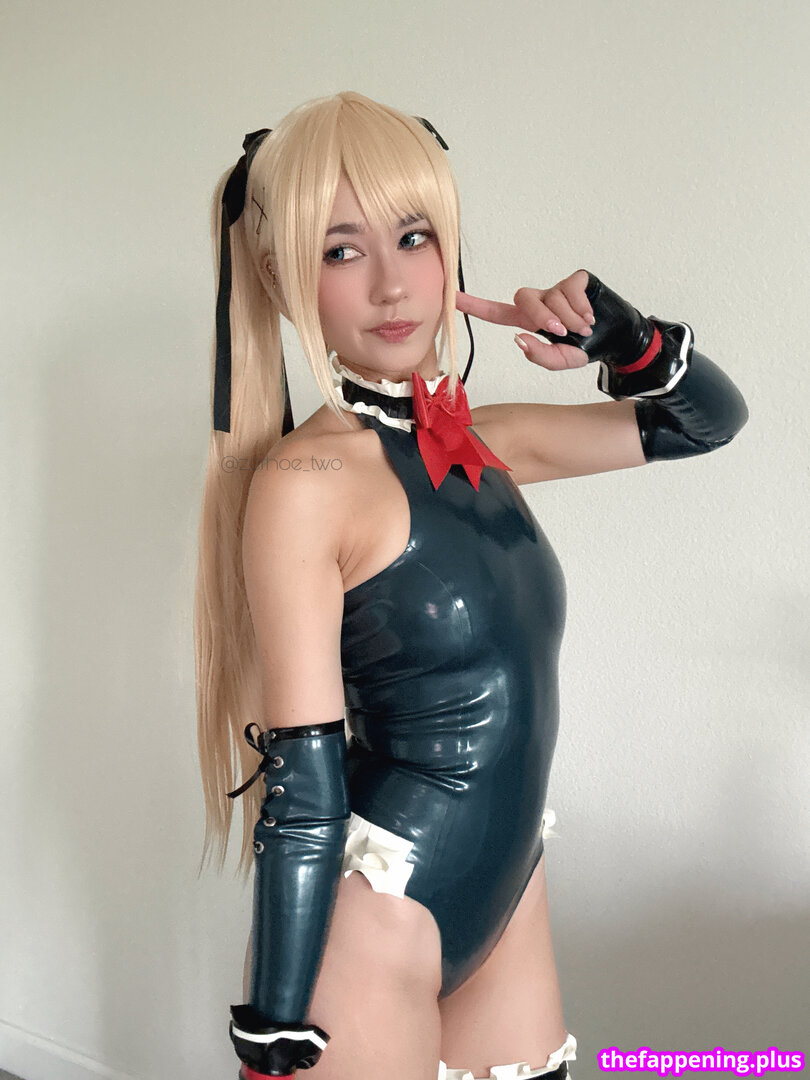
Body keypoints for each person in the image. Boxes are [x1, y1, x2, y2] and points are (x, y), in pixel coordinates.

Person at [193, 90, 749, 1080]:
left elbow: (707, 424)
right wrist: (275, 1024)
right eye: (340, 250)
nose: (392, 285)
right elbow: (305, 783)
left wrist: (622, 337)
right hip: (377, 916)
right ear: (281, 277)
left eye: (414, 238)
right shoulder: (304, 484)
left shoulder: (478, 438)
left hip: (507, 887)